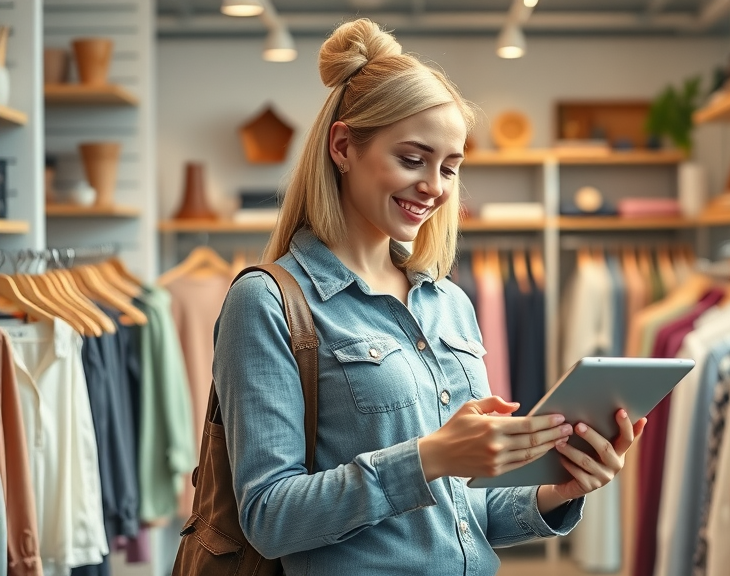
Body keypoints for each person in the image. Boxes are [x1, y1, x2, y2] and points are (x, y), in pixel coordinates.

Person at [212, 18, 647, 575]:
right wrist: (430, 457)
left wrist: (558, 489)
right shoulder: (268, 301)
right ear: (343, 146)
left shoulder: (450, 303)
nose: (436, 187)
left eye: (449, 167)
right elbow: (269, 518)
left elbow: (469, 511)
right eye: (413, 159)